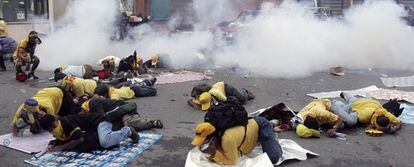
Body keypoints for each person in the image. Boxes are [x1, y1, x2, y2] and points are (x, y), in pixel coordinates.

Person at [191, 116, 282, 165]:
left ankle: (271, 132)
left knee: (273, 158)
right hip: (251, 127)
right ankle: (271, 125)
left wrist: (214, 154)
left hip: (261, 125)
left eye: (205, 140)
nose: (203, 143)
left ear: (212, 136)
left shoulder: (226, 139)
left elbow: (232, 162)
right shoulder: (217, 131)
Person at [38, 113, 139, 152]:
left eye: (53, 127)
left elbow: (78, 139)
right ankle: (113, 136)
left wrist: (61, 147)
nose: (52, 130)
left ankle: (128, 131)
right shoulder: (57, 127)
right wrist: (56, 142)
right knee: (88, 144)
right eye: (50, 130)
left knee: (105, 142)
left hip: (100, 121)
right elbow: (66, 137)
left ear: (55, 121)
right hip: (91, 129)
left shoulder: (66, 122)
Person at [11, 87, 80, 135]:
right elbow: (15, 120)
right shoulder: (24, 106)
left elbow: (52, 122)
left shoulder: (48, 107)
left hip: (58, 93)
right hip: (45, 91)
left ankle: (78, 101)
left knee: (70, 116)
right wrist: (15, 128)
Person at [331, 92, 402, 136]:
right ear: (374, 123)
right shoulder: (365, 116)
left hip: (370, 102)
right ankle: (335, 104)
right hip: (357, 105)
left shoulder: (386, 114)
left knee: (353, 99)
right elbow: (354, 113)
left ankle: (345, 94)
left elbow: (399, 122)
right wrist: (367, 125)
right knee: (351, 121)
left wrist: (395, 129)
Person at [80, 98, 163, 131]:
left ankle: (152, 122)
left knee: (129, 123)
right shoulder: (90, 108)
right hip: (119, 114)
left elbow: (101, 118)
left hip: (126, 109)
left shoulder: (92, 103)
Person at [189, 82, 255, 111]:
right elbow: (191, 101)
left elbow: (226, 102)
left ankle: (244, 91)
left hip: (226, 87)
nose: (197, 98)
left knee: (242, 100)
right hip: (220, 91)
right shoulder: (204, 96)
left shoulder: (216, 93)